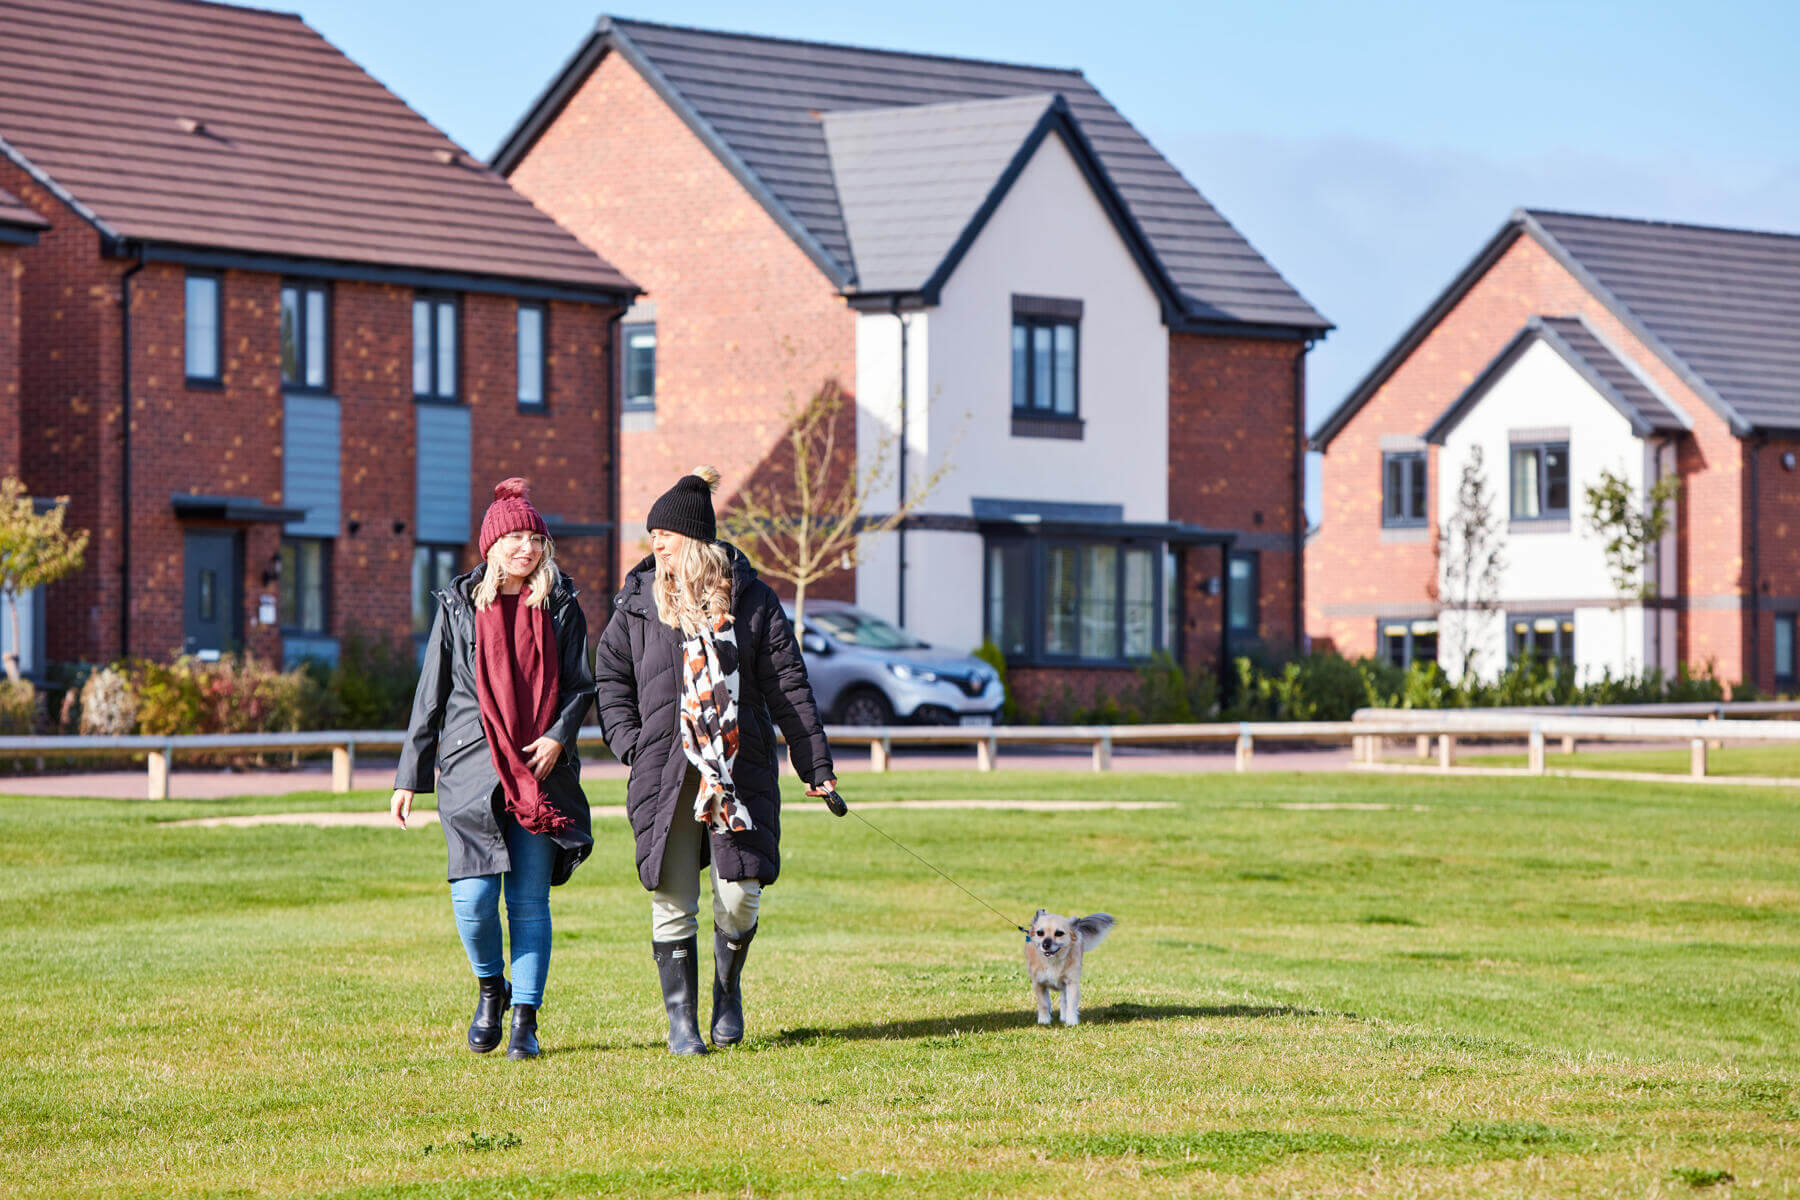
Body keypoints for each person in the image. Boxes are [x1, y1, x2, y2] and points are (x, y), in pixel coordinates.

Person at [593, 465, 836, 1055]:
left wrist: (817, 768)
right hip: (665, 772)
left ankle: (728, 986)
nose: (656, 547)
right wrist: (631, 744)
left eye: (666, 538)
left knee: (739, 894)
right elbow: (609, 679)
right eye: (652, 538)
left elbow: (789, 688)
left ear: (694, 540)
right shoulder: (637, 604)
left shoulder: (753, 603)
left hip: (738, 768)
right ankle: (682, 1026)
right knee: (672, 895)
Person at [390, 478, 596, 1060]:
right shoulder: (459, 606)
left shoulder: (560, 606)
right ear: (492, 545)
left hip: (539, 775)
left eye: (535, 538)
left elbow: (582, 687)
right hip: (470, 770)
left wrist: (559, 737)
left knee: (528, 904)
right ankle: (491, 989)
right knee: (474, 901)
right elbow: (429, 695)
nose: (526, 549)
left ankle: (526, 1021)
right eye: (515, 538)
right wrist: (410, 776)